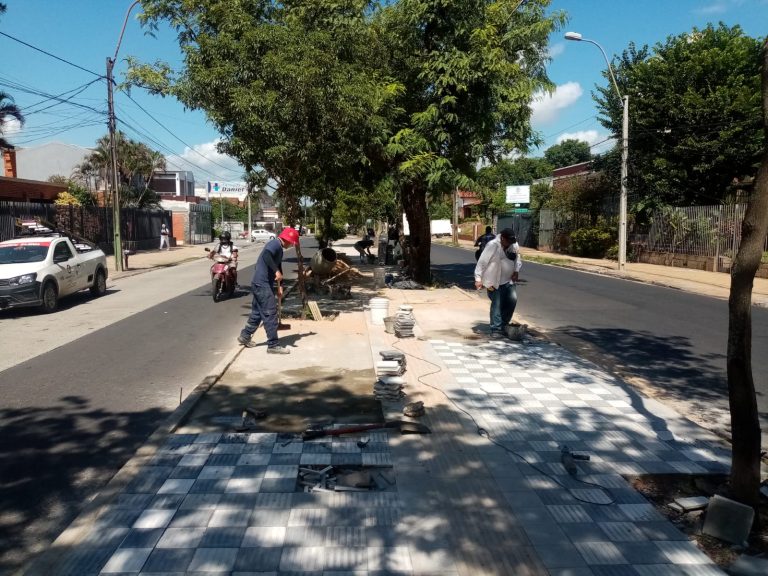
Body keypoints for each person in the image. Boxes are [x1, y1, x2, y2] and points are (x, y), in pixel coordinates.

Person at [238, 227, 300, 354]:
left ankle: (245, 335)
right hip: (262, 284)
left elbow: (278, 265)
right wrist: (276, 271)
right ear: (287, 239)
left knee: (257, 313)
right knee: (270, 313)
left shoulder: (279, 249)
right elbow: (266, 255)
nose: (291, 245)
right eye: (292, 242)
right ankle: (273, 345)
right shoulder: (274, 244)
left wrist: (280, 285)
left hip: (260, 283)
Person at [474, 228, 523, 339]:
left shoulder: (513, 245)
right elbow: (482, 262)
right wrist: (478, 279)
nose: (510, 243)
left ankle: (504, 324)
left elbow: (517, 258)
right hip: (493, 281)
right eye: (508, 241)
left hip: (508, 280)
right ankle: (496, 328)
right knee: (497, 303)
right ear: (502, 238)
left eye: (512, 241)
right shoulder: (492, 245)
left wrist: (516, 271)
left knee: (512, 300)